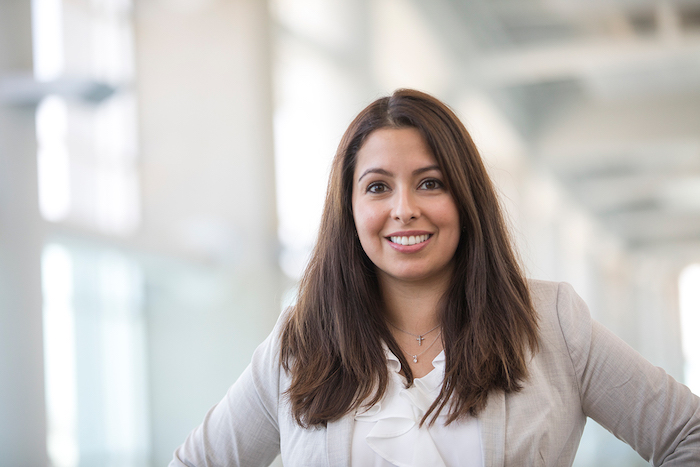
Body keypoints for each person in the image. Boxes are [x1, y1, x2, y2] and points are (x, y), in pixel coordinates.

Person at [169, 89, 700, 466]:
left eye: (430, 183)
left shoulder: (550, 323)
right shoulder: (298, 344)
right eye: (378, 187)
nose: (404, 209)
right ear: (349, 210)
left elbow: (688, 434)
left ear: (465, 199)